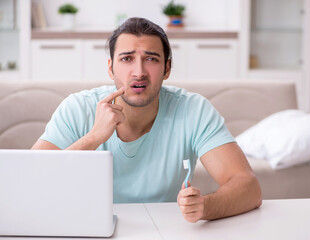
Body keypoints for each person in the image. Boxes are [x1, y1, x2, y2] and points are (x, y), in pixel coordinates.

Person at [32, 17, 262, 223]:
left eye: (151, 59)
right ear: (111, 69)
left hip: (165, 230)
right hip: (87, 226)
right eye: (127, 59)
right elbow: (31, 181)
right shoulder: (77, 108)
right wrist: (93, 138)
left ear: (167, 68)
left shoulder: (194, 110)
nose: (139, 71)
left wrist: (204, 207)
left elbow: (248, 187)